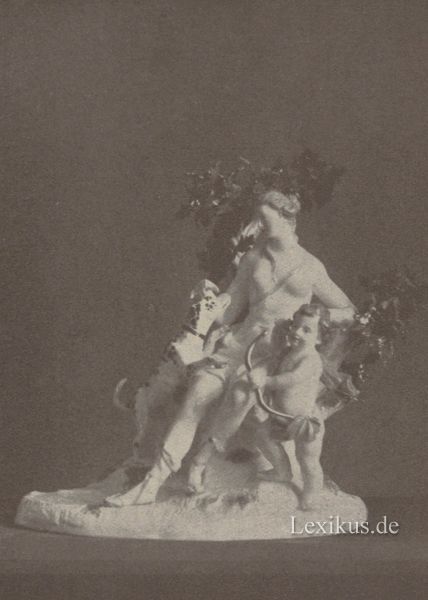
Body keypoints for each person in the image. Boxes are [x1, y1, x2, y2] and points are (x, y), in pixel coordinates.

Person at [105, 190, 355, 506]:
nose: (258, 227)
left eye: (265, 220)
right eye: (258, 220)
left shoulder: (310, 266)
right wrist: (209, 299)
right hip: (237, 344)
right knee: (195, 399)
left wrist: (314, 317)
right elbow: (230, 310)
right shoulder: (253, 260)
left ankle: (200, 462)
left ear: (287, 219)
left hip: (271, 355)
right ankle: (151, 485)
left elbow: (348, 310)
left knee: (241, 395)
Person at [188, 304, 329, 510]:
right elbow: (272, 361)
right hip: (279, 417)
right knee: (263, 437)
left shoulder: (311, 360)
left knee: (308, 461)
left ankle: (312, 493)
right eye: (296, 326)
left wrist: (266, 381)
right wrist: (261, 369)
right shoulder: (288, 352)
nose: (298, 333)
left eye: (307, 330)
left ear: (319, 338)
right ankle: (282, 471)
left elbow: (291, 379)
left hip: (303, 423)